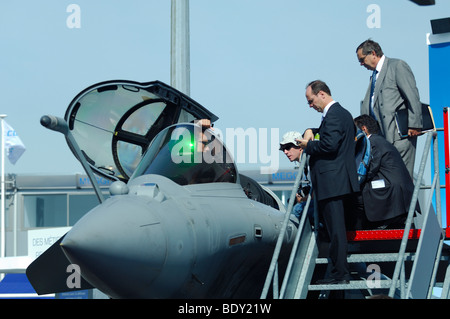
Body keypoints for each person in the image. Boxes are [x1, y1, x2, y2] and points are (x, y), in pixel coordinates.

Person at [297, 80, 359, 285]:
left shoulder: (334, 114)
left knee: (336, 231)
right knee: (336, 230)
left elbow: (329, 145)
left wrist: (308, 145)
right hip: (338, 182)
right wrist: (310, 129)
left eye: (311, 100)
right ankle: (339, 272)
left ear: (322, 94)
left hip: (332, 184)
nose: (310, 105)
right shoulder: (340, 114)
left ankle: (340, 274)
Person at [356, 39, 423, 179]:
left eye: (362, 59)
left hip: (399, 136)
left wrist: (415, 124)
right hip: (382, 138)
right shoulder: (374, 76)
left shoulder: (397, 66)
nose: (361, 64)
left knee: (402, 179)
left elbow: (412, 96)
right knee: (390, 181)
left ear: (373, 53)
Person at [354, 114, 417, 230]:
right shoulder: (379, 141)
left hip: (391, 188)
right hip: (397, 188)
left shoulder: (372, 142)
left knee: (355, 196)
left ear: (363, 129)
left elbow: (370, 168)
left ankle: (366, 226)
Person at [279, 131, 313, 221]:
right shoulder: (303, 163)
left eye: (288, 147)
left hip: (321, 203)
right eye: (283, 149)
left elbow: (320, 189)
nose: (285, 152)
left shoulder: (310, 161)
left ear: (300, 147)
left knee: (297, 210)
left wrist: (302, 200)